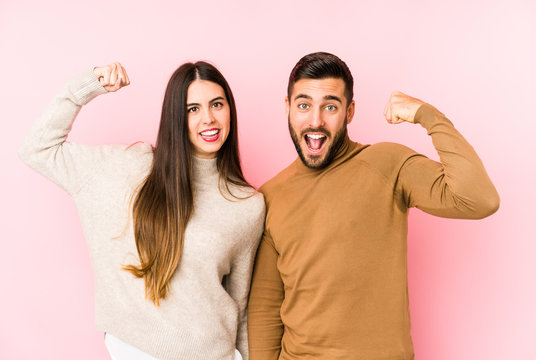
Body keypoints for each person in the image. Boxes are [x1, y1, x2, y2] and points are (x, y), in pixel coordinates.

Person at [247, 52, 500, 359]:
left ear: (349, 112)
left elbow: (478, 198)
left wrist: (427, 115)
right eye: (304, 105)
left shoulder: (388, 163)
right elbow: (264, 307)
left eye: (330, 106)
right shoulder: (271, 196)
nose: (315, 120)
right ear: (287, 108)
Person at [19, 61, 265, 360]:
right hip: (133, 350)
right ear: (174, 116)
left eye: (217, 104)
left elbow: (239, 307)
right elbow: (38, 148)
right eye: (192, 109)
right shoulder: (125, 168)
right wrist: (87, 86)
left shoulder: (246, 205)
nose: (209, 119)